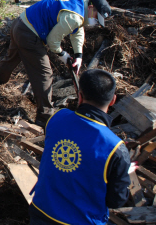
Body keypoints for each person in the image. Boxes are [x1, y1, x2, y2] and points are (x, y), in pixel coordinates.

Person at [0, 0, 112, 126]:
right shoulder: (74, 17)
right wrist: (63, 55)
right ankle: (45, 117)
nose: (95, 21)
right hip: (29, 32)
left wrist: (79, 55)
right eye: (96, 16)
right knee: (44, 73)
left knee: (11, 59)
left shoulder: (80, 5)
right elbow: (52, 41)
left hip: (20, 23)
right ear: (91, 7)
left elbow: (78, 30)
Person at [29, 69, 130, 224]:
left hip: (41, 211)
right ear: (113, 100)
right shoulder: (115, 148)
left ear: (79, 95)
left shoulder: (57, 118)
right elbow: (116, 201)